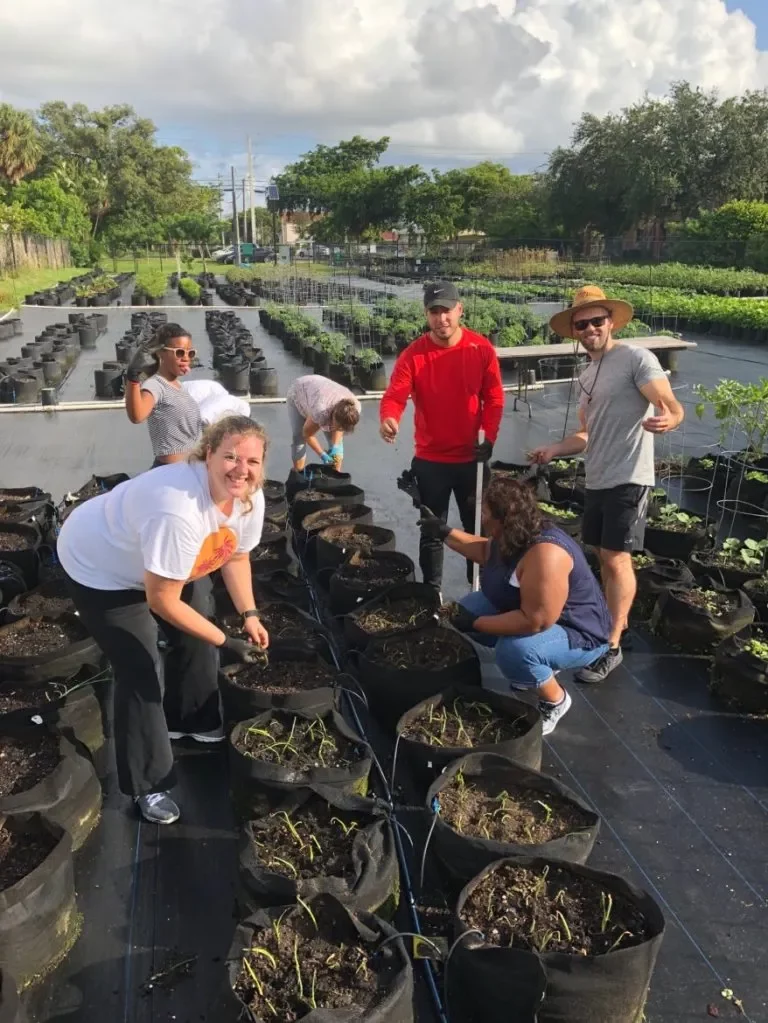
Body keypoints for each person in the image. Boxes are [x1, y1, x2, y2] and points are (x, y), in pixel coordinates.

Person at [56, 415, 270, 825]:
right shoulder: (178, 508)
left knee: (197, 625)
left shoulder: (247, 498)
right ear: (207, 454)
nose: (241, 469)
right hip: (101, 568)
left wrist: (249, 614)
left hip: (165, 563)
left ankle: (192, 720)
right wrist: (227, 643)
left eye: (252, 461)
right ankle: (148, 785)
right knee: (140, 668)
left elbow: (236, 555)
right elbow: (161, 601)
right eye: (230, 457)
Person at [529, 286, 684, 682]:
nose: (590, 328)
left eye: (597, 321)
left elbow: (668, 403)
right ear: (575, 331)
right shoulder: (586, 376)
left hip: (629, 475)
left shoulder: (635, 357)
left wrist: (672, 417)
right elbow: (586, 434)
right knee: (601, 553)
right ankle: (621, 623)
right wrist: (554, 449)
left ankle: (610, 645)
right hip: (597, 477)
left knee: (616, 558)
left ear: (610, 322)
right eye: (582, 324)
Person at [421, 476, 611, 734]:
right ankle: (533, 668)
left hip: (578, 631)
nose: (482, 516)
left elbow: (536, 620)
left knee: (514, 651)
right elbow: (485, 552)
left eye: (486, 512)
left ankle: (555, 699)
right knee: (473, 606)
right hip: (539, 614)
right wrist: (443, 532)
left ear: (502, 519)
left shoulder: (547, 555)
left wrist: (475, 623)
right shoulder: (514, 532)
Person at [379, 281, 504, 592]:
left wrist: (488, 437)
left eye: (446, 311)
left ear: (459, 310)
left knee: (478, 528)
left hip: (471, 460)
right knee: (432, 531)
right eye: (434, 312)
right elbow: (395, 396)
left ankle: (479, 588)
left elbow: (495, 398)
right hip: (430, 460)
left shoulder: (480, 349)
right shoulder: (414, 355)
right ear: (426, 314)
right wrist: (389, 419)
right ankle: (432, 592)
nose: (441, 319)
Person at [124, 322, 203, 467]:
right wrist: (133, 378)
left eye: (190, 353)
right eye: (179, 352)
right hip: (170, 472)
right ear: (161, 353)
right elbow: (137, 416)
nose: (186, 358)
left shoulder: (179, 386)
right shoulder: (156, 385)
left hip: (190, 470)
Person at [286, 374, 361, 472]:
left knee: (337, 446)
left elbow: (339, 428)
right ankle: (298, 475)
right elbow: (307, 434)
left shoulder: (354, 407)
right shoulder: (321, 411)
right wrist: (322, 454)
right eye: (337, 426)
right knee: (299, 438)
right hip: (300, 391)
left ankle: (335, 478)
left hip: (320, 392)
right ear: (333, 417)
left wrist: (335, 447)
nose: (338, 429)